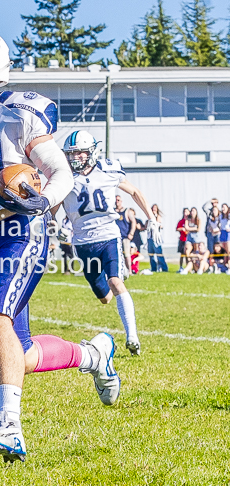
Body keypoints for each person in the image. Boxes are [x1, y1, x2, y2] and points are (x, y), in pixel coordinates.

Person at [0, 26, 119, 462]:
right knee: (14, 349)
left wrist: (41, 203)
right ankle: (94, 354)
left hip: (17, 229)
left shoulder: (19, 110)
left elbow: (61, 172)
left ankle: (10, 426)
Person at [57, 130, 158, 356]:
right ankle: (114, 289)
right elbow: (52, 207)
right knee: (104, 297)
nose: (75, 158)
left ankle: (132, 336)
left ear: (92, 152)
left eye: (80, 153)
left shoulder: (108, 170)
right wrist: (55, 228)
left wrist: (151, 219)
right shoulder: (64, 177)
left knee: (115, 281)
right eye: (72, 154)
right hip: (83, 241)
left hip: (108, 235)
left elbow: (134, 191)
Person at [115, 195, 136, 272]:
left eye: (118, 200)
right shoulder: (113, 211)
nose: (117, 202)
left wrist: (131, 233)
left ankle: (129, 270)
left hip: (125, 236)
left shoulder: (127, 211)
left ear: (121, 201)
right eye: (116, 200)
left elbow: (133, 222)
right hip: (116, 236)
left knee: (126, 254)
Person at [148, 204, 168, 272]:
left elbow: (158, 224)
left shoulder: (158, 216)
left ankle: (164, 267)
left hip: (156, 238)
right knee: (151, 254)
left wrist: (155, 216)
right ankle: (153, 268)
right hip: (150, 237)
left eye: (155, 208)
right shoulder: (149, 217)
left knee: (159, 253)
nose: (154, 209)